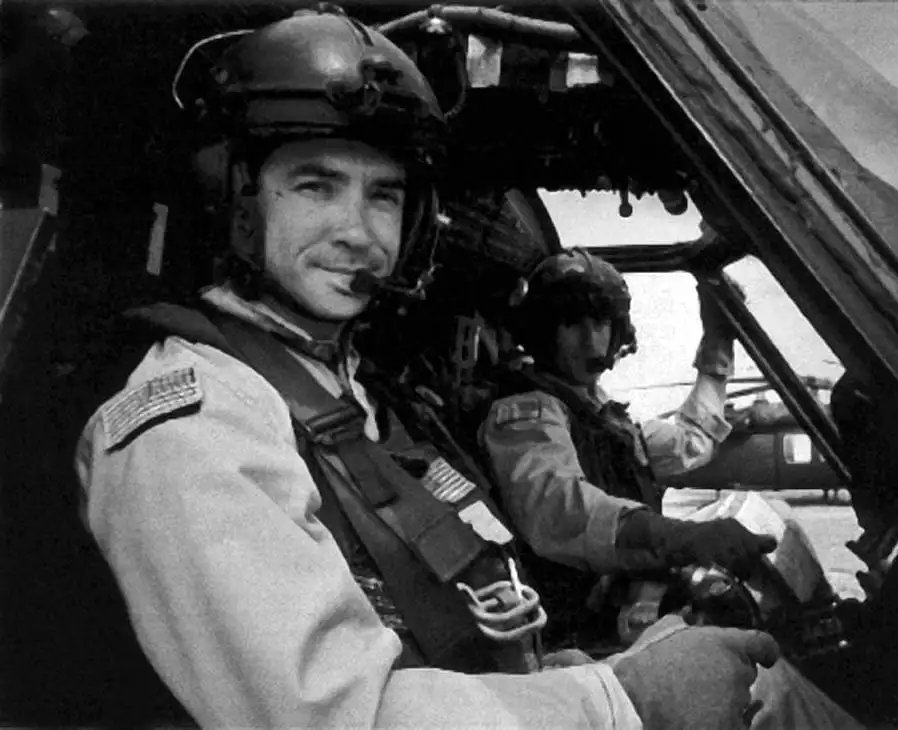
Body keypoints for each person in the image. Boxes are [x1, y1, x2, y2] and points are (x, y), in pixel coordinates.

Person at [73, 8, 780, 728]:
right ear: (240, 197)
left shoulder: (348, 389)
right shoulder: (196, 427)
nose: (358, 232)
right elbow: (341, 716)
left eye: (383, 195)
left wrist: (578, 678)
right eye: (315, 186)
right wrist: (621, 698)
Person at [478, 248, 862, 729]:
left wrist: (719, 343)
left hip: (629, 598)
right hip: (582, 632)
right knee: (767, 685)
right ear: (542, 328)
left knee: (771, 514)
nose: (593, 341)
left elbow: (691, 440)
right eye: (572, 323)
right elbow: (559, 509)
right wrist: (681, 537)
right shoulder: (527, 412)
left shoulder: (603, 417)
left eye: (603, 324)